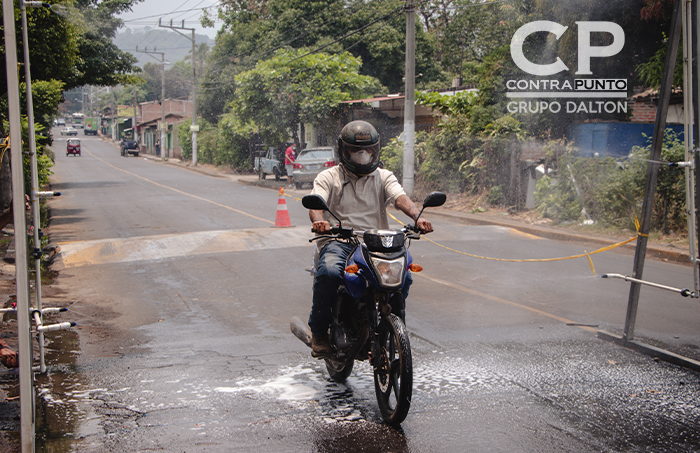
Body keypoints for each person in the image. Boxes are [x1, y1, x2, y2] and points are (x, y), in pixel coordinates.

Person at [307, 120, 433, 357]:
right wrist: (319, 221)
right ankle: (320, 332)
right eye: (356, 151)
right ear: (344, 151)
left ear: (376, 150)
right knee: (330, 272)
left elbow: (400, 198)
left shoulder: (384, 176)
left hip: (377, 243)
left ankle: (396, 326)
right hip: (339, 241)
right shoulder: (328, 177)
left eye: (368, 150)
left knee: (402, 275)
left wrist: (417, 217)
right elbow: (317, 202)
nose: (363, 156)